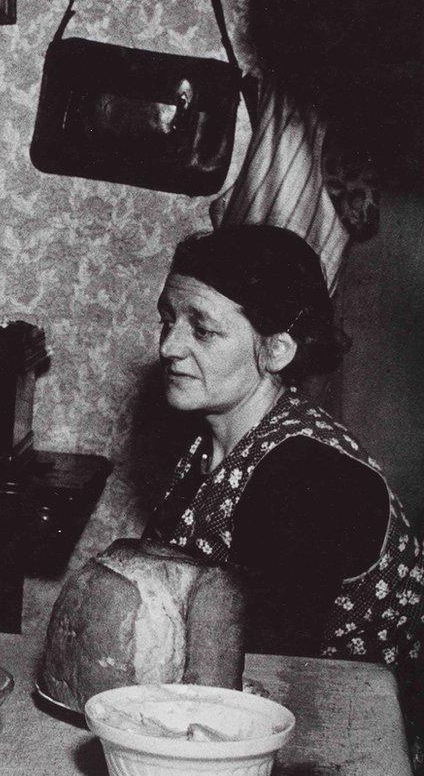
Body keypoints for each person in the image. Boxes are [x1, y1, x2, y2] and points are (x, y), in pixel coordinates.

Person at [144, 224, 423, 668]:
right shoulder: (208, 443)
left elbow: (272, 668)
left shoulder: (308, 474)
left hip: (347, 714)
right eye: (168, 320)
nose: (169, 346)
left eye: (203, 330)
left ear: (277, 350)